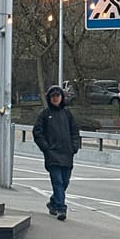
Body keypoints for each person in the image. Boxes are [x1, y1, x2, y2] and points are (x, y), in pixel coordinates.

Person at [33, 85, 80, 221]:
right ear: (49, 98)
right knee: (57, 181)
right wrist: (46, 148)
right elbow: (37, 132)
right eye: (53, 97)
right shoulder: (45, 114)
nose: (55, 99)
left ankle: (53, 202)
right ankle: (61, 208)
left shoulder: (67, 114)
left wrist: (74, 147)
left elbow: (74, 131)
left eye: (57, 96)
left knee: (65, 181)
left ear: (61, 98)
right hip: (52, 154)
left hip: (67, 153)